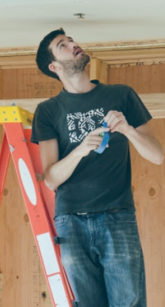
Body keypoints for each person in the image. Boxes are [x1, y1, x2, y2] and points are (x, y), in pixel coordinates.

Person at [31, 28, 164, 307]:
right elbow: (51, 178)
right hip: (71, 222)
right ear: (53, 66)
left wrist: (128, 129)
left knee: (128, 302)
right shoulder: (48, 111)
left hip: (117, 216)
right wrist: (80, 150)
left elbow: (157, 156)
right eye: (63, 45)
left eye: (72, 41)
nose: (73, 44)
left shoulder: (121, 95)